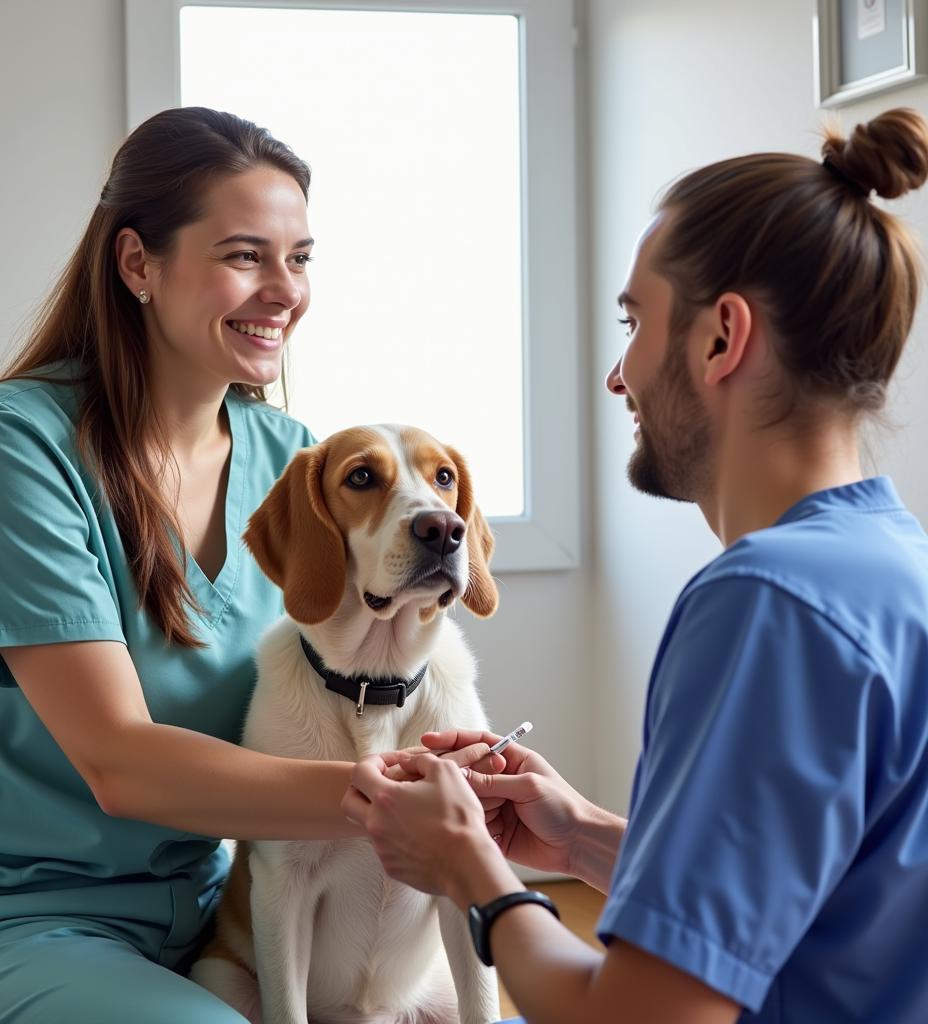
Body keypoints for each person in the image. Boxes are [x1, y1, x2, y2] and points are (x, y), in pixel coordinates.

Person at [0, 106, 495, 1024]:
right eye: (244, 255)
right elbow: (121, 763)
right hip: (16, 919)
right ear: (138, 263)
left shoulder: (288, 459)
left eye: (299, 258)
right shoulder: (16, 446)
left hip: (210, 914)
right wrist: (384, 802)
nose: (283, 290)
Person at [344, 106, 928, 1023]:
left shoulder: (766, 604)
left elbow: (644, 1018)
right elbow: (828, 912)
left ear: (720, 339)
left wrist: (474, 875)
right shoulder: (897, 569)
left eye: (634, 322)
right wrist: (583, 841)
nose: (619, 376)